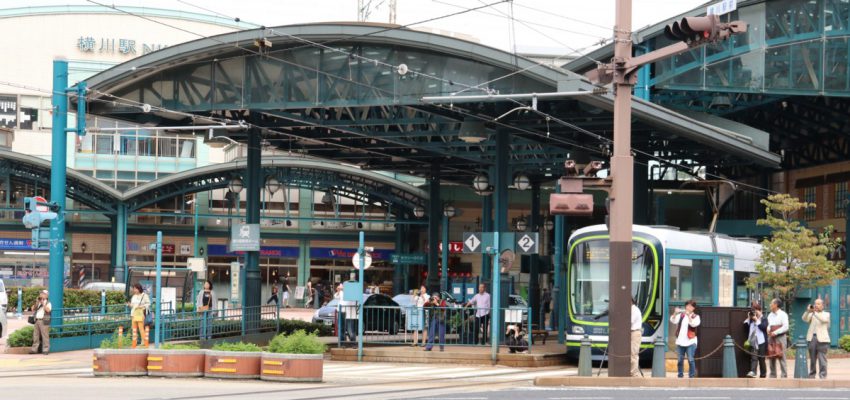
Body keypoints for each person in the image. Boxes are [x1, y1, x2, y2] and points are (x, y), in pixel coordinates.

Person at [669, 299, 701, 378]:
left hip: (691, 341)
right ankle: (680, 375)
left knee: (690, 359)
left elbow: (694, 324)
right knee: (680, 360)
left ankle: (691, 376)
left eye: (690, 306)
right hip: (680, 341)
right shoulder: (681, 315)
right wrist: (675, 313)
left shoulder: (696, 316)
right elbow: (673, 320)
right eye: (687, 305)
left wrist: (689, 316)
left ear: (693, 308)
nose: (688, 307)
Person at [803, 298, 831, 379]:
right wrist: (808, 311)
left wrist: (814, 313)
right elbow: (804, 319)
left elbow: (823, 320)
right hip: (812, 338)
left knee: (822, 359)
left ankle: (823, 375)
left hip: (822, 339)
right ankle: (812, 375)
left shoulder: (826, 314)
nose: (816, 305)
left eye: (818, 304)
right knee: (812, 358)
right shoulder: (812, 314)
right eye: (815, 304)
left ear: (822, 306)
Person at [766, 298, 789, 378]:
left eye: (771, 303)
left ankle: (784, 375)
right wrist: (768, 329)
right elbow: (769, 325)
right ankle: (772, 375)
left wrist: (775, 332)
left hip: (780, 337)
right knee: (771, 355)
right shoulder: (770, 315)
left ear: (776, 305)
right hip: (771, 337)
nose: (770, 305)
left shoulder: (783, 314)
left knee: (781, 356)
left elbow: (786, 327)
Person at [744, 302, 768, 378]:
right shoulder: (751, 319)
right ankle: (753, 372)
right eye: (753, 310)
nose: (755, 312)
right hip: (753, 341)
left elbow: (763, 327)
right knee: (754, 358)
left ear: (760, 310)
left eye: (755, 310)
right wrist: (748, 318)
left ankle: (763, 375)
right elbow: (745, 327)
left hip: (761, 342)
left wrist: (757, 320)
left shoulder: (764, 318)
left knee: (761, 359)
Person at [128, 283, 151, 348]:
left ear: (139, 288)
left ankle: (143, 342)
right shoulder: (134, 296)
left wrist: (141, 306)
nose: (134, 290)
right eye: (134, 289)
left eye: (135, 289)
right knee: (134, 328)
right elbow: (133, 305)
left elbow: (148, 303)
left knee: (141, 328)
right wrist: (129, 305)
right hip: (133, 314)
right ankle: (134, 342)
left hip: (140, 314)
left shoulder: (144, 295)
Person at [29, 290, 51, 355]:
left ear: (46, 296)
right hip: (37, 320)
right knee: (35, 336)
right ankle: (34, 349)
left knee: (45, 336)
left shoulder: (48, 303)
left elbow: (48, 310)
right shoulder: (38, 302)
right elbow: (32, 309)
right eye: (41, 293)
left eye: (43, 294)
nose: (41, 295)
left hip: (44, 320)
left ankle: (46, 350)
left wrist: (43, 304)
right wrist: (37, 302)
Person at [630, 297, 642, 377]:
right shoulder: (631, 309)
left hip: (635, 332)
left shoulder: (634, 310)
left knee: (633, 353)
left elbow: (630, 321)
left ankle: (634, 373)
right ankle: (631, 371)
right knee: (630, 353)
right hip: (631, 332)